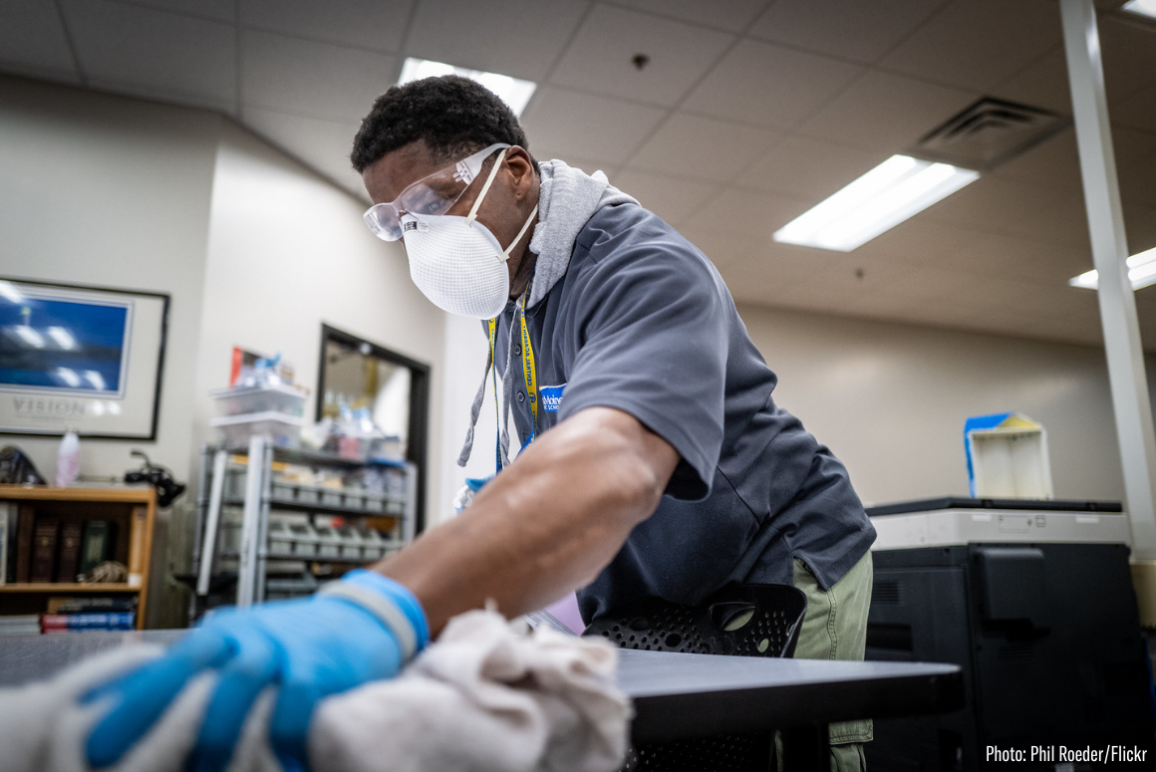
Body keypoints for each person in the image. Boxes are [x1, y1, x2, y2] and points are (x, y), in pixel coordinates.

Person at [84, 75, 876, 772]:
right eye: (395, 223)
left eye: (431, 202)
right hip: (654, 581)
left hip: (773, 560)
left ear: (518, 173)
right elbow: (535, 456)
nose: (419, 234)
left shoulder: (642, 268)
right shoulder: (515, 296)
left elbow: (613, 463)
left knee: (779, 750)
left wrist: (380, 607)